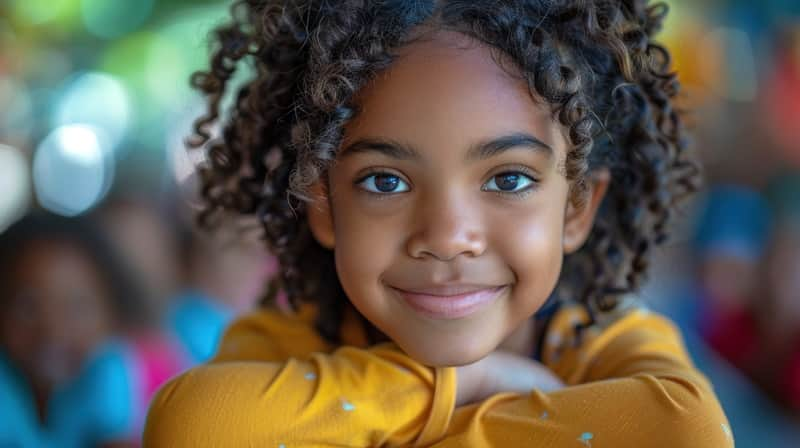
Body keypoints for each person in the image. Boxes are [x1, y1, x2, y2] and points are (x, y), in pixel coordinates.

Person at [145, 1, 732, 446]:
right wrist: (473, 383)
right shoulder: (288, 338)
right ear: (323, 204)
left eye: (508, 180)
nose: (448, 235)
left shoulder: (599, 339)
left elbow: (688, 428)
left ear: (576, 208)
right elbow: (193, 424)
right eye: (386, 181)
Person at [0, 213, 146, 447]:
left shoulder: (107, 370)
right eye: (27, 306)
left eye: (77, 307)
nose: (52, 331)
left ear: (113, 313)